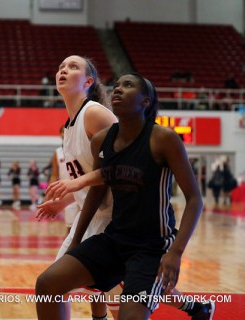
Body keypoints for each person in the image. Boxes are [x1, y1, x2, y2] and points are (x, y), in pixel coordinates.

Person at [36, 73, 210, 320]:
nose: (117, 89)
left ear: (145, 102)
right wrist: (76, 240)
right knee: (47, 284)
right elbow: (97, 191)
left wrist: (175, 252)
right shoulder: (101, 140)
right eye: (116, 85)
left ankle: (195, 308)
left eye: (128, 86)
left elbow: (194, 199)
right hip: (114, 239)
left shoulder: (163, 138)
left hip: (151, 246)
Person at [36, 55, 118, 320]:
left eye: (73, 67)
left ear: (88, 81)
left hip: (118, 220)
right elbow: (90, 176)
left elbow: (127, 164)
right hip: (92, 216)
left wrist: (76, 183)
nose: (63, 70)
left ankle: (195, 307)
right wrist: (66, 200)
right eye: (61, 67)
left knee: (124, 299)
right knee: (51, 285)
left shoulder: (94, 114)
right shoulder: (69, 126)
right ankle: (195, 307)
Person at [48, 125, 79, 234]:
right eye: (62, 132)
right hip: (67, 192)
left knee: (85, 226)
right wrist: (50, 193)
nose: (64, 134)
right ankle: (70, 250)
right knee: (70, 228)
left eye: (66, 132)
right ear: (60, 135)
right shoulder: (57, 153)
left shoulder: (78, 149)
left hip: (80, 188)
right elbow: (54, 174)